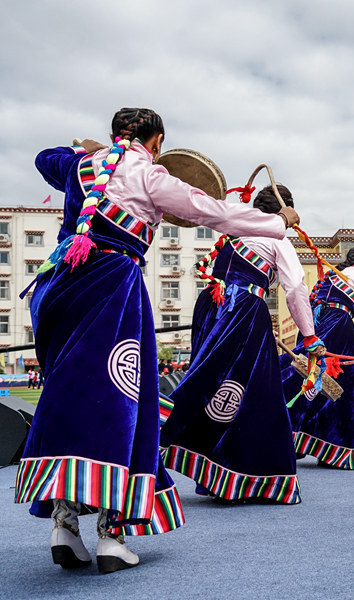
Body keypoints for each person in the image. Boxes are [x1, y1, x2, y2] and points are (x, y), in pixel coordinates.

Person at [15, 108, 299, 573]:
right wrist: (278, 223)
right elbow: (212, 211)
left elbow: (45, 158)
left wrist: (83, 148)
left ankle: (64, 522)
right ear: (158, 140)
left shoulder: (79, 167)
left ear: (115, 135)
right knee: (123, 400)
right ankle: (111, 535)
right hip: (110, 285)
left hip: (56, 288)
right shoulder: (151, 175)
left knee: (69, 395)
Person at [159, 185, 317, 503]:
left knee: (213, 385)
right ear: (283, 213)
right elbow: (296, 289)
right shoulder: (276, 238)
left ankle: (222, 474)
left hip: (213, 306)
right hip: (244, 307)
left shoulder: (235, 229)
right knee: (259, 393)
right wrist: (310, 336)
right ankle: (150, 431)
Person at [281, 246, 354, 469]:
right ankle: (340, 448)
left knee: (307, 381)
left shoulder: (333, 275)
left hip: (313, 327)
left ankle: (290, 439)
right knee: (345, 387)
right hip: (337, 325)